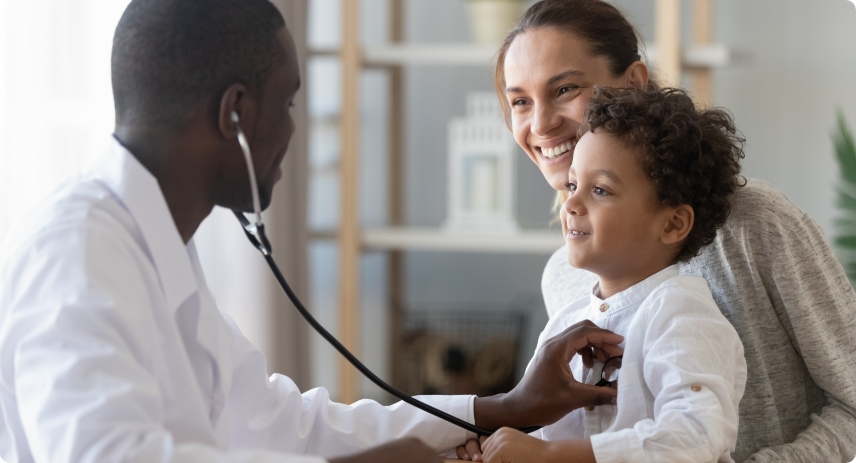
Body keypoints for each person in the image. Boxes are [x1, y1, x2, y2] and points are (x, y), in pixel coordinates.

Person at [0, 1, 624, 462]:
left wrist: (501, 408)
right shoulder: (77, 255)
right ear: (237, 115)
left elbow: (285, 423)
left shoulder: (157, 247)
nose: (296, 131)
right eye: (289, 102)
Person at [458, 0, 856, 461]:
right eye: (520, 102)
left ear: (633, 84)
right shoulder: (566, 277)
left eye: (565, 89)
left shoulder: (755, 224)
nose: (541, 123)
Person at [485, 85, 748, 462]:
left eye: (601, 190)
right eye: (573, 184)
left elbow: (695, 436)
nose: (571, 203)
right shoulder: (566, 323)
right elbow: (536, 433)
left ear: (673, 223)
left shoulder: (682, 316)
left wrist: (550, 455)